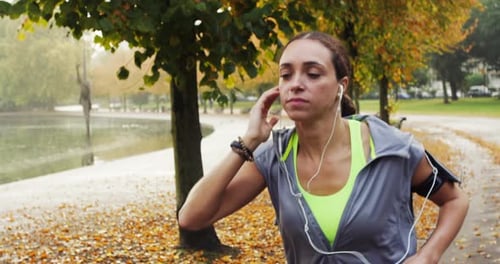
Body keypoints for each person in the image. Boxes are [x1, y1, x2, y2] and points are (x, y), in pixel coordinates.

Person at [178, 31, 469, 263]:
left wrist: (428, 256)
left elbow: (455, 201)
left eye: (313, 74)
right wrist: (249, 141)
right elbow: (192, 217)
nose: (296, 84)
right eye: (286, 74)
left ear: (341, 86)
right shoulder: (274, 158)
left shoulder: (391, 148)